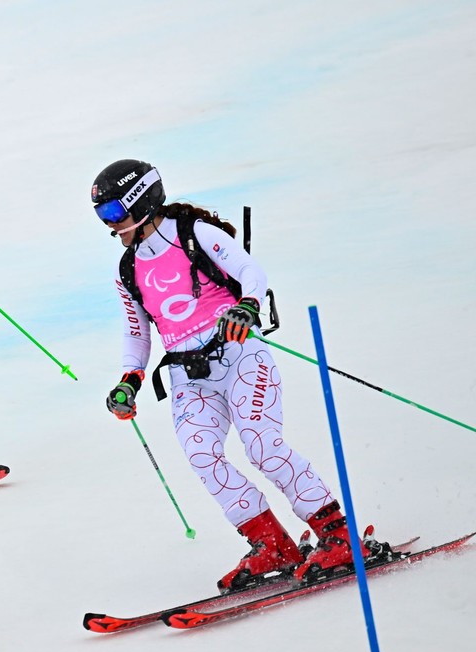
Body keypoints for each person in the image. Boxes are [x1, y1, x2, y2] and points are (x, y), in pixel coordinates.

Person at [92, 159, 365, 591]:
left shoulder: (192, 233)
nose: (111, 226)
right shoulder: (127, 270)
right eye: (102, 217)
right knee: (202, 454)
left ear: (140, 201)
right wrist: (130, 379)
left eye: (113, 214)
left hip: (240, 355)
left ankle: (340, 534)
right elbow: (136, 332)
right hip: (188, 376)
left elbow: (250, 272)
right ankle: (271, 543)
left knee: (261, 444)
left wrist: (247, 305)